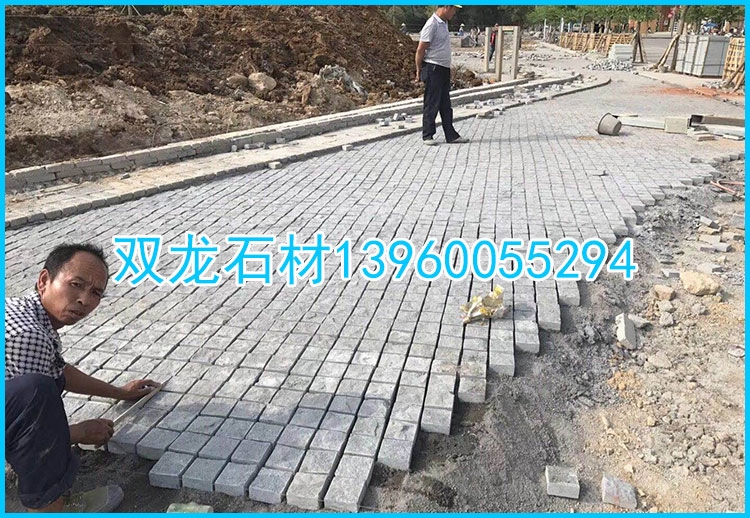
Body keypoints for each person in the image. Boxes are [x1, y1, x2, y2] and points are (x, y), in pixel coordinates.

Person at [5, 243, 160, 512]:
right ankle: (51, 508)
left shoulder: (25, 311)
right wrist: (80, 433)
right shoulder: (28, 335)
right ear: (44, 280)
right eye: (76, 284)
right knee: (38, 395)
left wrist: (120, 392)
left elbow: (58, 371)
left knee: (39, 391)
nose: (84, 300)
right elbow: (32, 429)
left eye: (95, 293)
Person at [415, 5, 468, 146]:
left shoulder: (444, 23)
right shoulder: (432, 24)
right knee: (432, 102)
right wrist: (418, 69)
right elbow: (420, 49)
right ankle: (427, 135)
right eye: (453, 9)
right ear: (446, 7)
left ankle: (451, 135)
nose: (454, 12)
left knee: (445, 104)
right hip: (433, 68)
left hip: (443, 68)